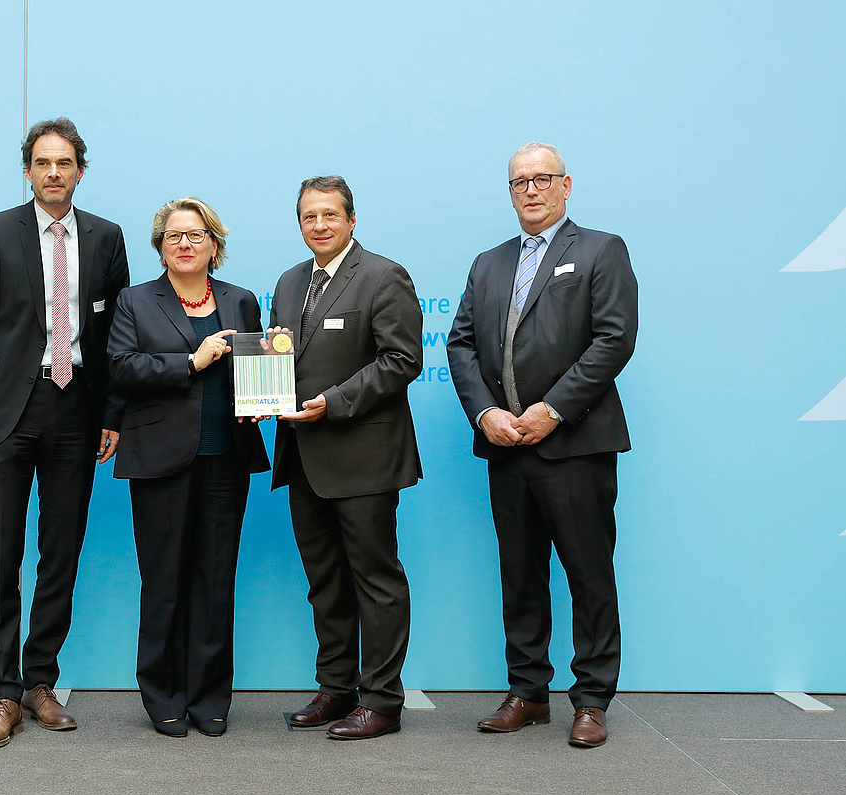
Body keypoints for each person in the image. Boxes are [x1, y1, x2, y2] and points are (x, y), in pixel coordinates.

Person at [447, 142, 638, 747]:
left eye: (541, 178)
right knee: (520, 575)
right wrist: (485, 414)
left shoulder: (601, 249)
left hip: (575, 444)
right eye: (519, 182)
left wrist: (553, 410)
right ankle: (527, 692)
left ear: (566, 184)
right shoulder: (489, 263)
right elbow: (460, 344)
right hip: (507, 445)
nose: (530, 190)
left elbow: (614, 339)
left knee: (589, 575)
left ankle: (592, 700)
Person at [0, 117, 129, 748]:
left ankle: (40, 682)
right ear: (27, 170)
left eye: (64, 163)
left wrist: (112, 413)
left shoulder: (107, 237)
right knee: (1, 554)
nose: (54, 173)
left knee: (61, 551)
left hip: (77, 408)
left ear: (80, 170)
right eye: (42, 163)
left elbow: (117, 336)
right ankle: (2, 693)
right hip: (8, 413)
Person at [107, 197, 269, 738]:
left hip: (227, 457)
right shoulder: (135, 300)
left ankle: (210, 697)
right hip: (159, 460)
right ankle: (163, 695)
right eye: (174, 236)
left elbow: (255, 370)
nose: (185, 244)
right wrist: (191, 362)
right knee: (164, 582)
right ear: (160, 247)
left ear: (214, 245)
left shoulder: (241, 300)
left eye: (196, 235)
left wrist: (263, 398)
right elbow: (121, 367)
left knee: (215, 581)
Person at [268, 176, 422, 740]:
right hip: (303, 458)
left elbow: (401, 359)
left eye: (330, 215)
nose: (320, 225)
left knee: (376, 582)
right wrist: (262, 397)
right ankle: (336, 689)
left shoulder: (384, 275)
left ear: (352, 220)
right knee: (325, 582)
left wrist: (332, 402)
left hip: (364, 459)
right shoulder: (289, 282)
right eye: (309, 216)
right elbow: (283, 359)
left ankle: (382, 701)